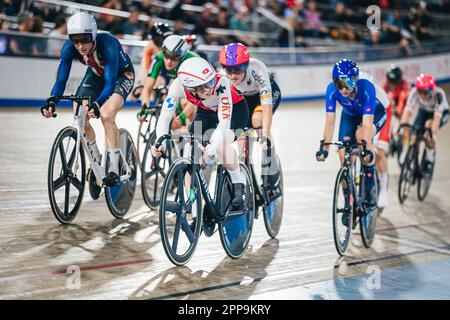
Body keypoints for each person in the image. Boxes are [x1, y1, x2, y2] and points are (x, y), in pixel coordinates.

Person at [40, 12, 135, 186]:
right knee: (80, 118)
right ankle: (97, 161)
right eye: (75, 40)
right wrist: (53, 101)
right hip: (95, 75)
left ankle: (113, 169)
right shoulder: (69, 48)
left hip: (121, 76)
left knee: (106, 115)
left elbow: (110, 82)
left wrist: (98, 104)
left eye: (84, 39)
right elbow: (61, 80)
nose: (80, 46)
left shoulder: (108, 44)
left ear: (93, 36)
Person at [152, 57, 250, 208]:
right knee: (190, 153)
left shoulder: (221, 82)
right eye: (205, 86)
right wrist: (161, 143)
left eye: (211, 82)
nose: (211, 88)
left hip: (235, 110)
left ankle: (239, 181)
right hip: (206, 111)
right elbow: (165, 118)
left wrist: (214, 143)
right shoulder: (178, 86)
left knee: (220, 145)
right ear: (191, 89)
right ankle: (192, 201)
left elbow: (224, 122)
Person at [316, 59, 388, 216]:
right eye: (338, 83)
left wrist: (367, 148)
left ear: (355, 80)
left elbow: (367, 124)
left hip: (375, 112)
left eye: (347, 83)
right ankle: (349, 203)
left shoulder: (366, 87)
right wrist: (325, 148)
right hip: (350, 115)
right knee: (343, 155)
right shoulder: (332, 90)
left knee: (362, 137)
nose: (343, 89)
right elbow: (330, 122)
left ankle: (370, 186)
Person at [219, 42, 282, 197]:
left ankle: (271, 167)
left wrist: (265, 133)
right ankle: (246, 169)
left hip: (262, 97)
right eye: (229, 70)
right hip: (242, 99)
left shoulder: (257, 69)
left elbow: (266, 107)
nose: (233, 75)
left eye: (237, 71)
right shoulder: (221, 77)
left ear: (246, 66)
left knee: (258, 122)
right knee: (241, 138)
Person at [138, 34, 198, 129]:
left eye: (174, 58)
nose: (169, 61)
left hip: (192, 93)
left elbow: (198, 96)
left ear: (182, 56)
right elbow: (148, 87)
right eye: (166, 55)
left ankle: (194, 136)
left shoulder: (192, 60)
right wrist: (144, 107)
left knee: (186, 106)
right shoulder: (158, 58)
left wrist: (184, 115)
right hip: (174, 89)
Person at [400, 74, 449, 175]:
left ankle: (429, 160)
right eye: (420, 92)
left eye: (425, 92)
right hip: (424, 111)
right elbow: (408, 110)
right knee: (413, 135)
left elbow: (437, 117)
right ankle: (413, 159)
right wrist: (403, 125)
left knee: (429, 131)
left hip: (440, 113)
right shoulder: (414, 92)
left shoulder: (438, 94)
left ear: (431, 90)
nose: (422, 95)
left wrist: (432, 135)